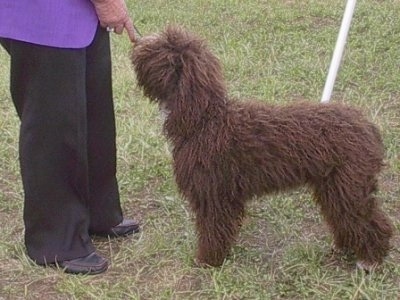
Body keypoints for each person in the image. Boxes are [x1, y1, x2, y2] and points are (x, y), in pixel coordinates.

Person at [0, 0, 140, 275]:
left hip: (79, 13)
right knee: (52, 125)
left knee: (93, 113)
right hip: (44, 13)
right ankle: (56, 239)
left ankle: (99, 213)